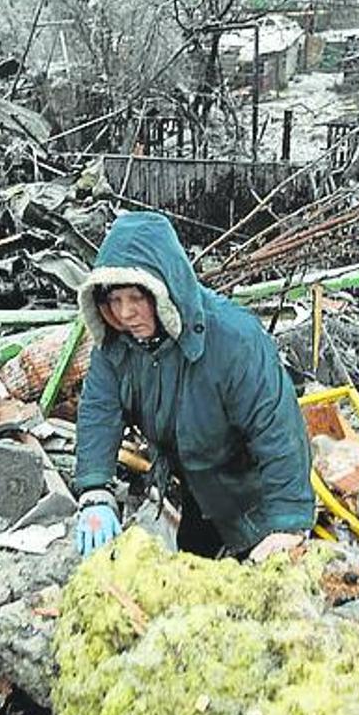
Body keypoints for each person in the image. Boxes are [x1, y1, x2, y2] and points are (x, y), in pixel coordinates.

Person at [71, 211, 315, 561]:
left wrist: (288, 523)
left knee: (260, 584)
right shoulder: (117, 347)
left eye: (136, 299)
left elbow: (277, 430)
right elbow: (99, 411)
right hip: (195, 487)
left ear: (164, 291)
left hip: (251, 490)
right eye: (114, 301)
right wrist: (95, 490)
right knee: (196, 574)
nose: (125, 314)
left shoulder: (233, 340)